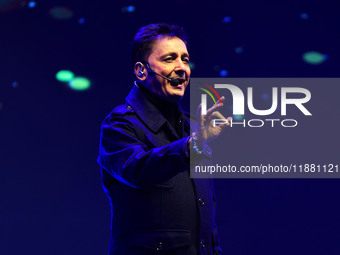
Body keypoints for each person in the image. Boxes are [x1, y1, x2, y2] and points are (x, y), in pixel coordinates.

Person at [97, 23, 230, 255]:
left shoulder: (192, 127)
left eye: (185, 59)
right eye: (170, 59)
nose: (182, 68)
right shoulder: (119, 124)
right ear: (141, 71)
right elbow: (137, 170)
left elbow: (205, 218)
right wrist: (193, 145)